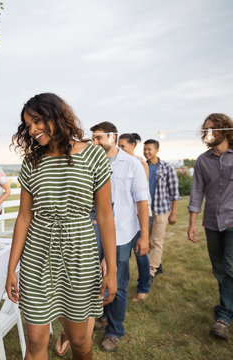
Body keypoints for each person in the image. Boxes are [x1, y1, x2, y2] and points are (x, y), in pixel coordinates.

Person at [6, 93, 117, 360]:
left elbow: (104, 216)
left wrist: (112, 269)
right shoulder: (32, 161)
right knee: (35, 341)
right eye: (28, 125)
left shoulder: (92, 155)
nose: (32, 130)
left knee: (79, 341)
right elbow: (24, 217)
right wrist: (11, 268)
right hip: (37, 253)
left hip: (80, 252)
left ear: (56, 116)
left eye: (37, 121)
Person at [187, 113, 233, 340]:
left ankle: (224, 317)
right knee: (219, 268)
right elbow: (196, 192)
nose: (208, 132)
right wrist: (192, 223)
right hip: (212, 223)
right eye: (206, 129)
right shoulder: (203, 160)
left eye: (213, 128)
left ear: (225, 130)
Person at [91, 122, 149, 352]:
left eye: (99, 138)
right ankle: (102, 315)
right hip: (95, 231)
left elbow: (142, 201)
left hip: (123, 233)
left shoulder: (132, 164)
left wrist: (144, 235)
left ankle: (115, 331)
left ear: (112, 138)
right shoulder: (91, 164)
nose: (95, 143)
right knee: (97, 277)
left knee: (119, 283)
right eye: (92, 139)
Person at [117, 133, 151, 302]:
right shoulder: (117, 163)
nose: (120, 149)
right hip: (124, 218)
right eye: (119, 146)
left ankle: (144, 286)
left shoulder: (139, 163)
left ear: (132, 145)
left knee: (140, 253)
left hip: (139, 216)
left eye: (123, 146)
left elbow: (140, 196)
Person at [144, 139, 180, 283]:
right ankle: (157, 264)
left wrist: (174, 213)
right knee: (145, 242)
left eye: (149, 149)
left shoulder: (167, 167)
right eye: (145, 149)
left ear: (157, 150)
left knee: (156, 241)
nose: (146, 152)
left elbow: (174, 192)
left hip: (161, 210)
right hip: (145, 211)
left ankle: (150, 272)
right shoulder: (141, 166)